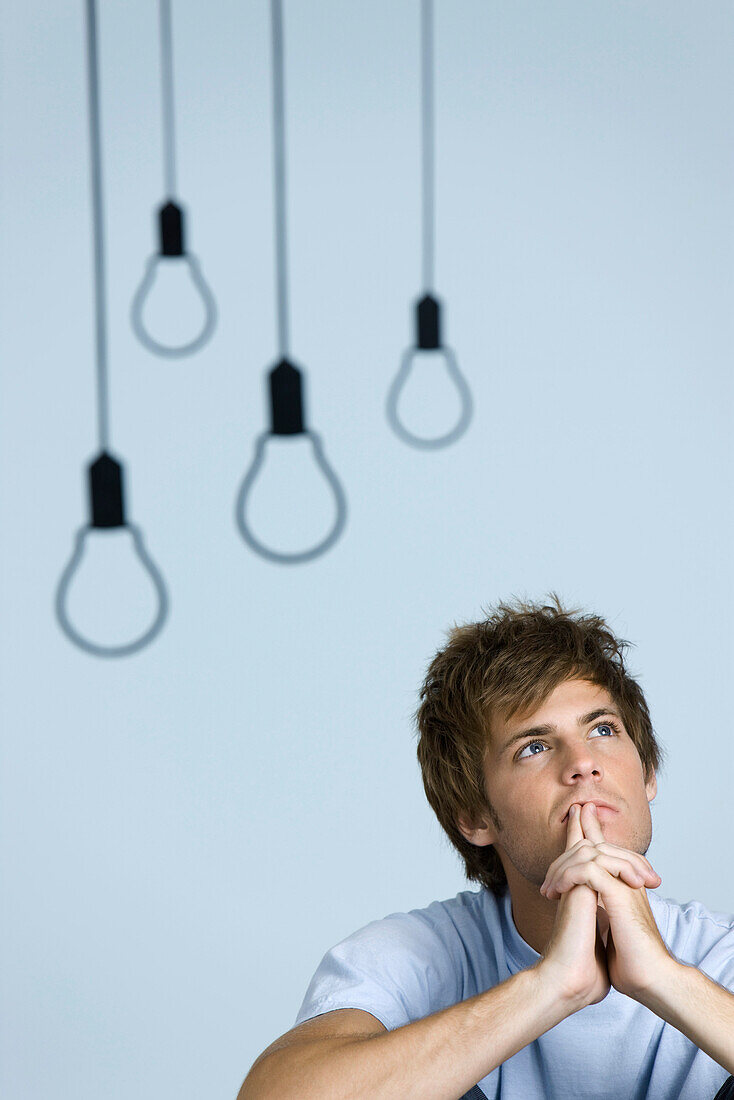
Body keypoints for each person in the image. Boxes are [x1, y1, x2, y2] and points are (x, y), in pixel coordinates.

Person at [238, 593, 734, 1099]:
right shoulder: (414, 955)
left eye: (603, 729)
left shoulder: (720, 953)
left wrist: (665, 980)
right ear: (475, 816)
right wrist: (550, 987)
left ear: (648, 773)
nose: (583, 763)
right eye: (534, 747)